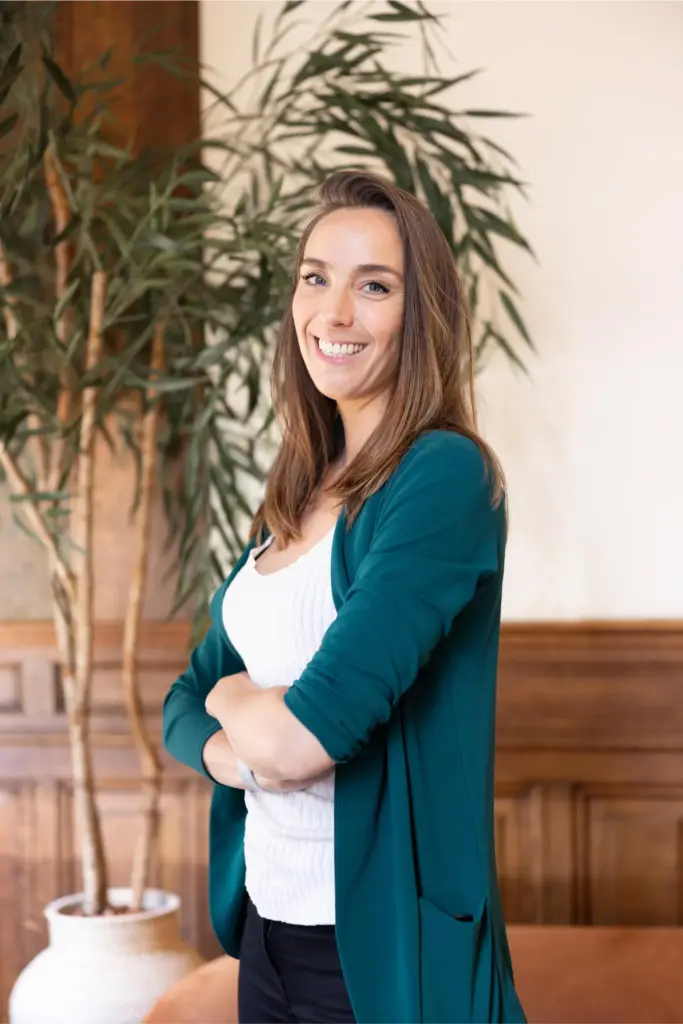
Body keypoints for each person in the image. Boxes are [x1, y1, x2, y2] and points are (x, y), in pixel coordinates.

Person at [162, 169, 527, 1024]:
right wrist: (236, 738)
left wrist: (242, 709)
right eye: (315, 277)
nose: (332, 313)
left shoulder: (442, 477)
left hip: (376, 950)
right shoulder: (294, 490)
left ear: (420, 314)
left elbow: (302, 741)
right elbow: (185, 701)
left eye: (374, 287)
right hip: (269, 927)